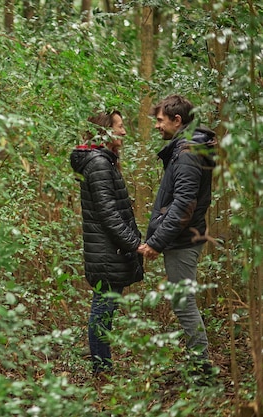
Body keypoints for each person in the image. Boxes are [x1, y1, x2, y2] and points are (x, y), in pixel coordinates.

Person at [138, 94, 217, 380]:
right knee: (184, 303)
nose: (157, 126)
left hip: (183, 242)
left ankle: (202, 371)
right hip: (182, 239)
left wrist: (157, 242)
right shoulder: (185, 150)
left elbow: (184, 206)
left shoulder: (187, 153)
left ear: (177, 120)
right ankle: (198, 364)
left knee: (184, 304)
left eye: (160, 121)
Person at [70, 110, 144, 375]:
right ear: (105, 131)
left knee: (105, 309)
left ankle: (103, 367)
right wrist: (134, 244)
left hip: (107, 250)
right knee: (102, 310)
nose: (124, 131)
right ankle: (101, 371)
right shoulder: (100, 164)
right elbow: (109, 214)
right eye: (120, 126)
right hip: (106, 252)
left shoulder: (103, 162)